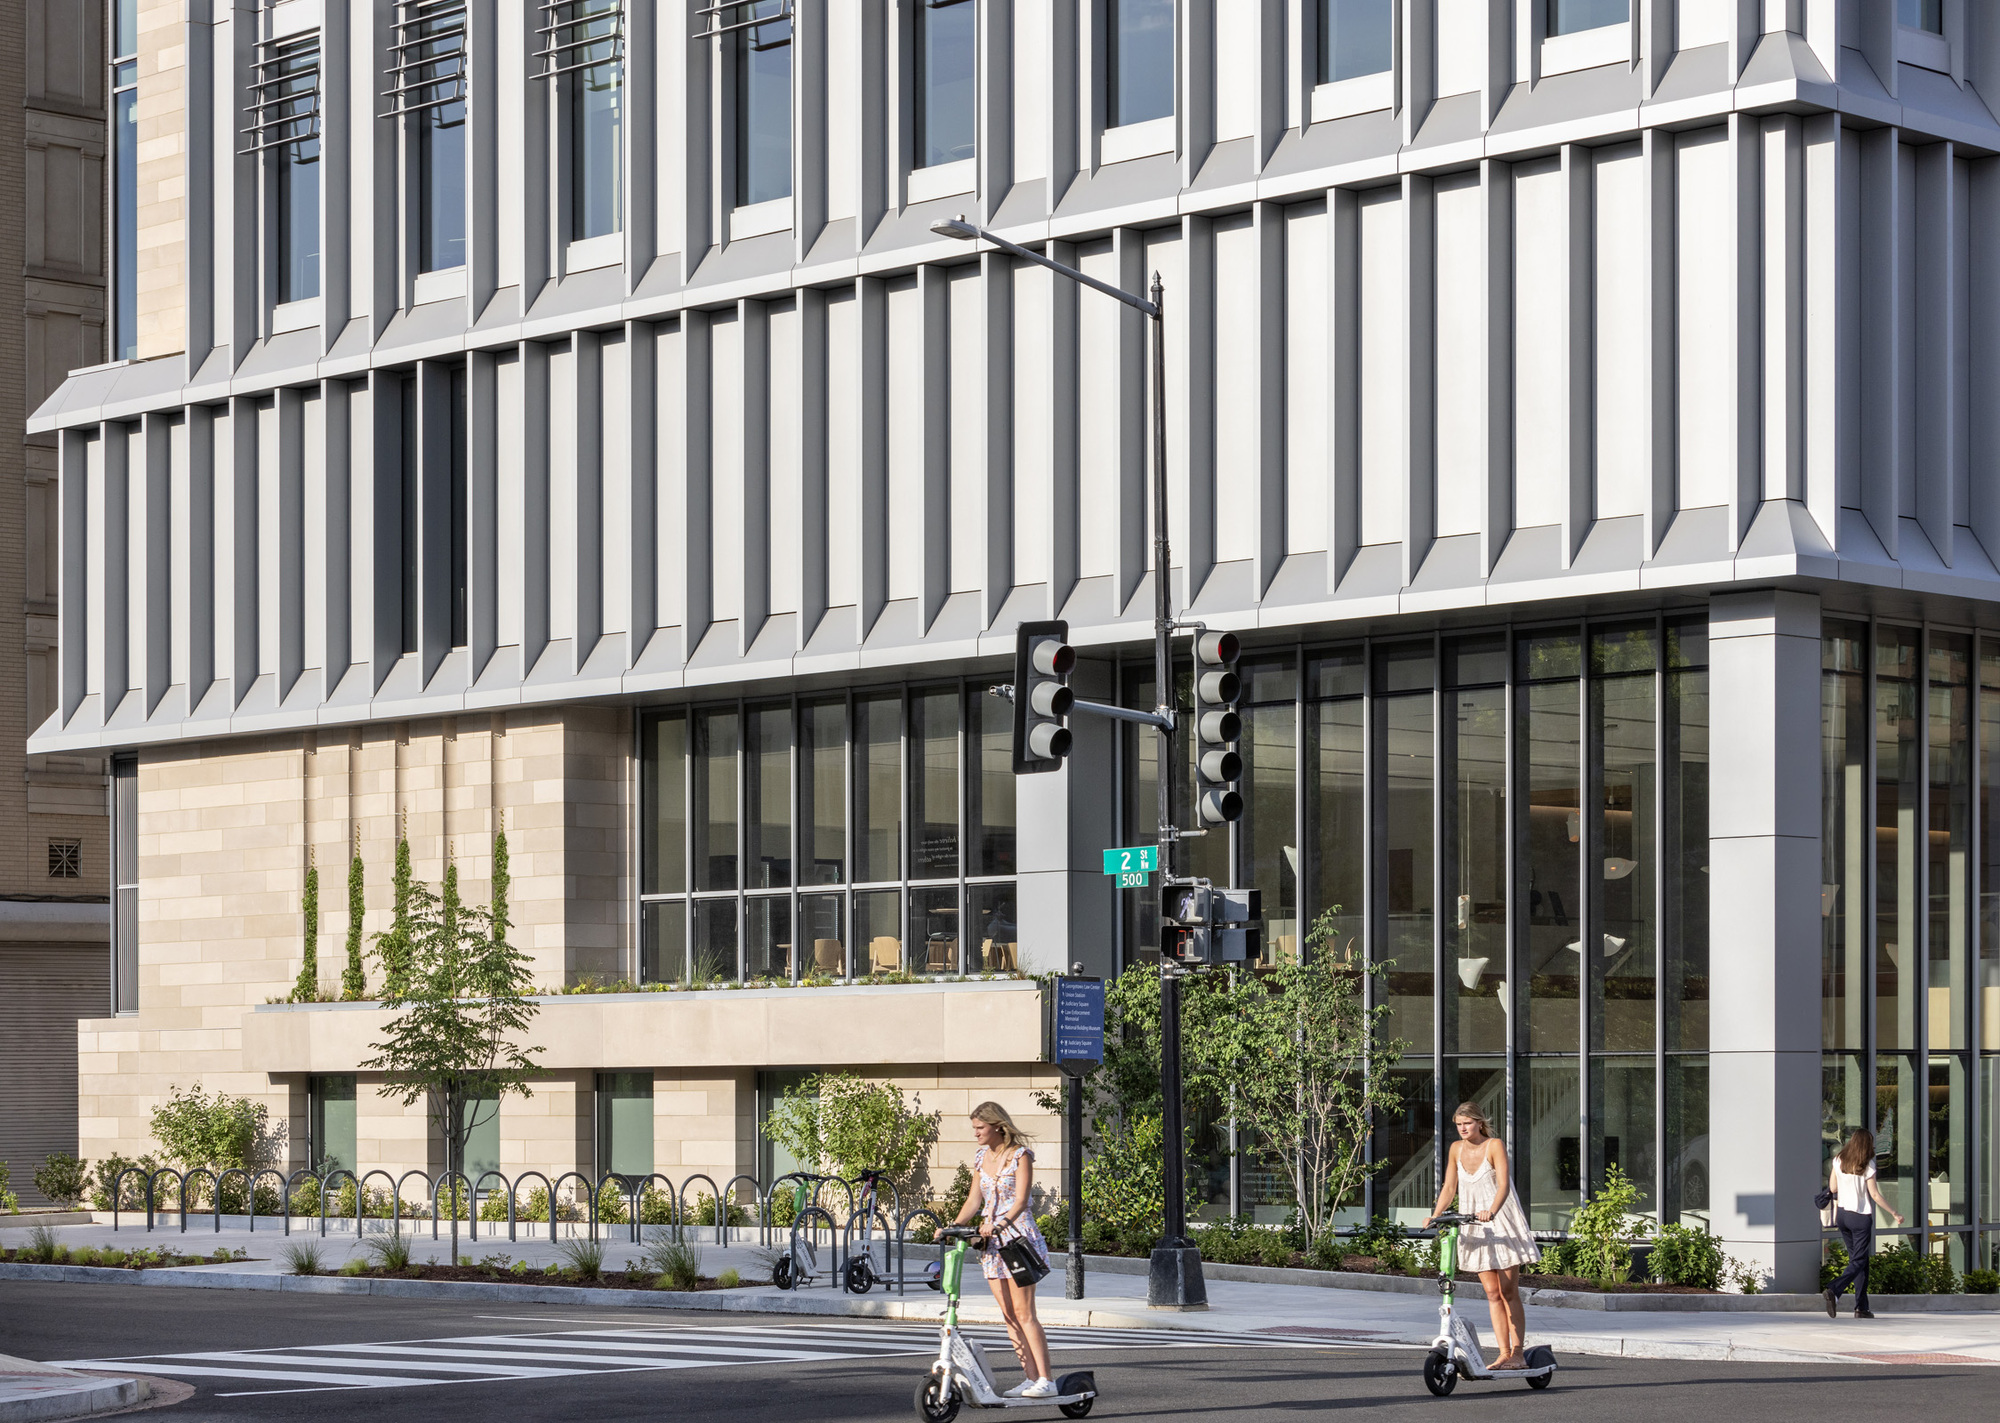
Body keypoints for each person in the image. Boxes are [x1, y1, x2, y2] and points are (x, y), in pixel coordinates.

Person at [1424, 1101, 1540, 1371]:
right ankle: (1502, 1353)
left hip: (1501, 1222)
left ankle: (1518, 1353)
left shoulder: (1494, 1145)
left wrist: (1492, 1210)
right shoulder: (1455, 1149)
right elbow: (1450, 1186)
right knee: (1491, 1292)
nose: (1463, 1129)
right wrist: (1435, 1214)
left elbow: (1503, 1185)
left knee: (1509, 1290)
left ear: (1479, 1122)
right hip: (1472, 1224)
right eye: (1458, 1125)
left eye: (1467, 1123)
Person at [951, 1101, 1056, 1398]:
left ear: (998, 1126)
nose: (976, 1134)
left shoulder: (1020, 1156)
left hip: (1016, 1239)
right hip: (991, 1244)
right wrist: (953, 1225)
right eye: (974, 1129)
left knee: (1024, 1313)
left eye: (980, 1128)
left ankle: (1047, 1380)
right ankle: (1030, 1377)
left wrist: (999, 1224)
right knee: (1008, 1314)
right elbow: (974, 1201)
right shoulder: (981, 1157)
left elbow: (1021, 1200)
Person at [1823, 1129, 1902, 1319]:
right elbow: (1874, 1195)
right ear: (1867, 1144)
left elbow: (1833, 1188)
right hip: (1860, 1217)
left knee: (1860, 1261)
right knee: (1858, 1260)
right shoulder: (1867, 1164)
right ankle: (1834, 1289)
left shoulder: (1838, 1160)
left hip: (1842, 1215)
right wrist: (1894, 1212)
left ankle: (1861, 1308)